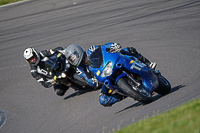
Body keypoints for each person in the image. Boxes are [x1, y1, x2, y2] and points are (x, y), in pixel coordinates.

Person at [64, 42, 157, 107]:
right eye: (71, 59)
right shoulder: (80, 69)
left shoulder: (91, 50)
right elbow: (88, 80)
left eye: (73, 57)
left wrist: (113, 46)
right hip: (105, 78)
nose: (74, 60)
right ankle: (127, 93)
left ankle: (148, 64)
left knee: (129, 50)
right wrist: (93, 81)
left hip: (112, 64)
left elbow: (104, 48)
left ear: (78, 51)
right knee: (103, 100)